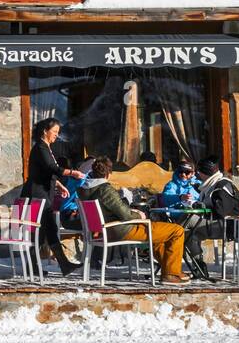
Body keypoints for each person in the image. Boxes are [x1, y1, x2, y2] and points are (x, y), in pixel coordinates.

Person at [80, 159, 189, 283]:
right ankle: (171, 274)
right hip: (121, 230)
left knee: (158, 234)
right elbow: (125, 215)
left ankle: (169, 269)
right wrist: (140, 215)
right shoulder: (104, 189)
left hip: (105, 230)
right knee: (177, 230)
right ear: (108, 174)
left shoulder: (84, 190)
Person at [23, 118, 81, 274]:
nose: (56, 135)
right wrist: (73, 173)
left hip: (43, 194)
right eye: (54, 132)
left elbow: (48, 172)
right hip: (37, 194)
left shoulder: (46, 148)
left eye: (58, 132)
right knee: (39, 231)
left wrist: (59, 185)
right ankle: (33, 267)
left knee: (49, 229)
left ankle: (63, 265)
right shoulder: (41, 147)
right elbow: (52, 168)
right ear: (45, 131)